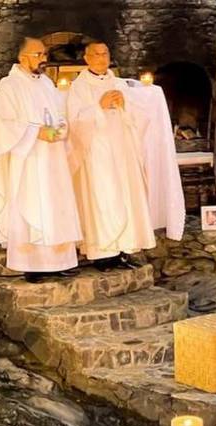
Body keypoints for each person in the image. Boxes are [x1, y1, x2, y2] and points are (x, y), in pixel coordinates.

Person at [0, 37, 82, 283]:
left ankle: (60, 261)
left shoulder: (47, 84)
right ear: (22, 57)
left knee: (55, 206)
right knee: (32, 206)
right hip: (27, 160)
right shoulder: (10, 86)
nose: (43, 58)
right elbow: (3, 124)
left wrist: (61, 127)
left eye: (44, 53)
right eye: (37, 54)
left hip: (53, 158)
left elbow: (60, 113)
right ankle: (32, 264)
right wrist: (35, 132)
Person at [66, 41, 156, 270]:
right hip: (96, 152)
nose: (101, 57)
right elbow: (73, 122)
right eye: (95, 54)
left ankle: (123, 250)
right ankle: (102, 254)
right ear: (86, 58)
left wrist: (125, 105)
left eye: (105, 53)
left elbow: (141, 117)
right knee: (102, 200)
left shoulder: (119, 83)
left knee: (125, 196)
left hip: (121, 150)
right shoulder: (79, 87)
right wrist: (99, 106)